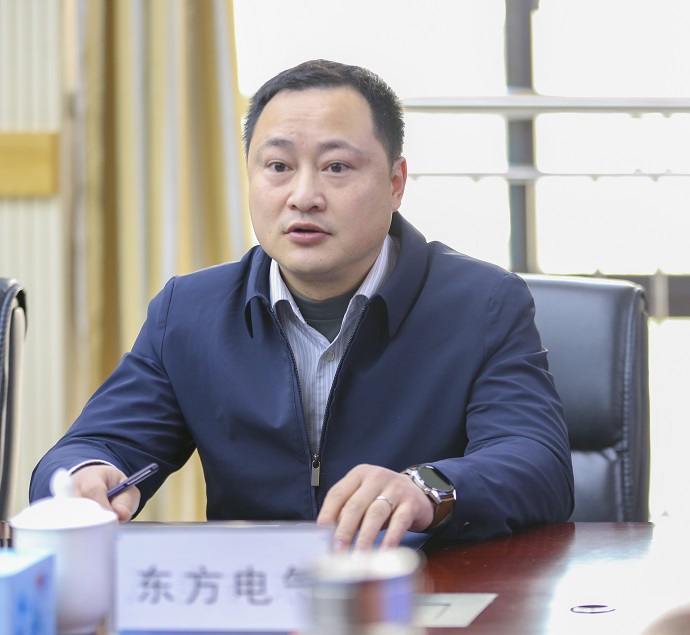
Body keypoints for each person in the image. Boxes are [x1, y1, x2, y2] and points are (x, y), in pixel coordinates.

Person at [30, 59, 574, 549]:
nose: (304, 196)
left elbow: (537, 463)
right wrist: (84, 477)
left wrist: (424, 489)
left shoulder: (482, 304)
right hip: (255, 597)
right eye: (278, 167)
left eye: (336, 167)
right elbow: (95, 443)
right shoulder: (190, 311)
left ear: (395, 183)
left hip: (421, 591)